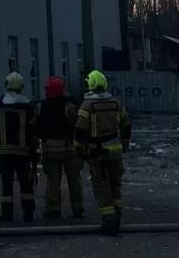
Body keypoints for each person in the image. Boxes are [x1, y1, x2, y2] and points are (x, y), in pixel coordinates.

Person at [74, 69, 131, 236]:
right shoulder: (116, 103)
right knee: (115, 186)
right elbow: (126, 125)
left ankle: (109, 221)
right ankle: (117, 216)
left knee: (101, 187)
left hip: (97, 153)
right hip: (116, 152)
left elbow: (80, 130)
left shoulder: (87, 106)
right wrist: (125, 144)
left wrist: (78, 150)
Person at [34, 76, 83, 220]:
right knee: (74, 180)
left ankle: (53, 209)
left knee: (52, 182)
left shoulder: (40, 107)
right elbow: (77, 124)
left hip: (49, 150)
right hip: (69, 150)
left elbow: (36, 128)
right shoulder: (69, 106)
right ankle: (77, 208)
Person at [0, 71, 38, 222]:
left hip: (5, 151)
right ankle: (28, 213)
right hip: (23, 152)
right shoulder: (28, 105)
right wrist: (34, 149)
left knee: (6, 183)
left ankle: (6, 214)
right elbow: (33, 129)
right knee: (26, 183)